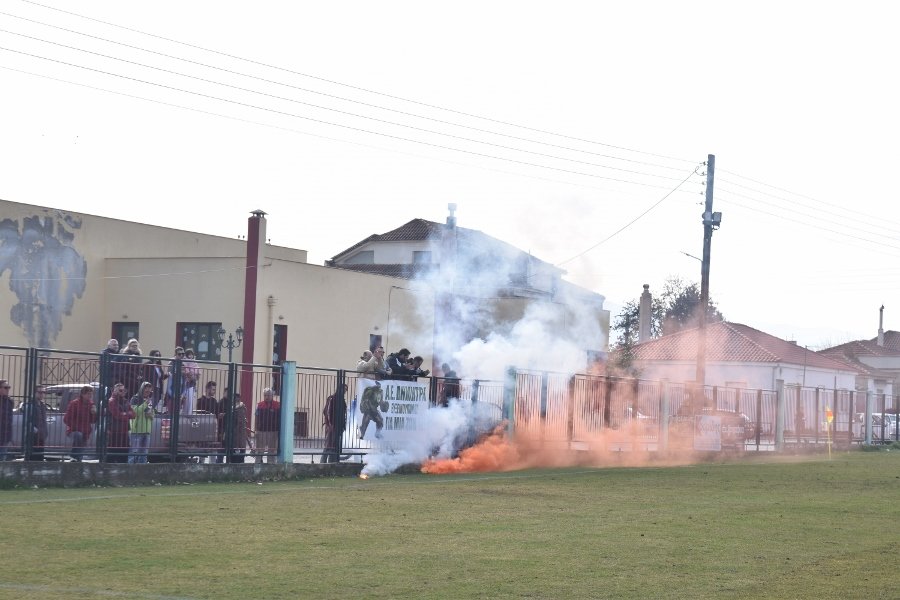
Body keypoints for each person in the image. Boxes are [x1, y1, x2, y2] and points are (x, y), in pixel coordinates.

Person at [64, 385, 97, 462]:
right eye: (88, 393)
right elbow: (66, 419)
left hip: (86, 431)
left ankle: (76, 460)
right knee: (79, 435)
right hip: (74, 430)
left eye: (91, 394)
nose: (90, 396)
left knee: (81, 447)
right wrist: (77, 427)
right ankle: (74, 457)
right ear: (82, 394)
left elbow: (93, 421)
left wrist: (94, 413)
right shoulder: (74, 404)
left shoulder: (91, 404)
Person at [107, 383, 134, 463]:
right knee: (112, 455)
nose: (123, 392)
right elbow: (117, 415)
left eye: (124, 390)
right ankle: (108, 472)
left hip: (124, 431)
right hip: (114, 431)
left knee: (124, 455)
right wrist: (127, 414)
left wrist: (125, 414)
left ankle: (123, 473)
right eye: (121, 390)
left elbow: (134, 414)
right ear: (115, 391)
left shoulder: (125, 401)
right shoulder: (111, 401)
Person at [321, 384, 348, 463]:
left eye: (346, 390)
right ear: (339, 389)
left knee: (335, 445)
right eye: (344, 389)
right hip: (331, 426)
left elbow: (343, 414)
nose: (345, 391)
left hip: (339, 427)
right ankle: (323, 463)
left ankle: (332, 462)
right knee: (329, 445)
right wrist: (330, 425)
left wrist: (343, 425)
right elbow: (326, 412)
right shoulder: (332, 398)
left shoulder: (342, 400)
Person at [128, 382, 154, 464]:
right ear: (142, 389)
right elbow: (134, 412)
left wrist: (151, 414)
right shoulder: (135, 399)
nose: (148, 392)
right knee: (134, 452)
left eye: (149, 391)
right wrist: (144, 404)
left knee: (144, 453)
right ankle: (131, 469)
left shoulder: (149, 400)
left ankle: (142, 470)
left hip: (147, 430)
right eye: (146, 391)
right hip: (137, 430)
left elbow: (152, 413)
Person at [22, 385, 49, 461]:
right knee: (31, 458)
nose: (42, 394)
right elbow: (26, 421)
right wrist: (35, 430)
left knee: (39, 457)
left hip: (41, 436)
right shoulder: (30, 405)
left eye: (44, 392)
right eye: (40, 392)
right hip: (32, 436)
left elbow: (43, 420)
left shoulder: (42, 405)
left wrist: (44, 432)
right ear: (34, 393)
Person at [254, 388, 280, 463]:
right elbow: (256, 417)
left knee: (272, 450)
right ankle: (258, 464)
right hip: (261, 430)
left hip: (274, 431)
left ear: (272, 395)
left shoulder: (277, 405)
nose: (267, 397)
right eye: (265, 395)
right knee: (259, 450)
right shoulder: (260, 405)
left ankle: (271, 465)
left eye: (268, 395)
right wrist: (256, 430)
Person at [227, 392, 250, 463]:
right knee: (236, 453)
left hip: (238, 434)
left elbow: (240, 421)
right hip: (236, 434)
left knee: (238, 454)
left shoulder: (240, 407)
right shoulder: (234, 407)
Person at [180, 348, 200, 414]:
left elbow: (198, 372)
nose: (190, 356)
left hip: (192, 383)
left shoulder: (195, 362)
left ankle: (189, 413)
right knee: (185, 399)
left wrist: (196, 375)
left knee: (190, 399)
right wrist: (189, 374)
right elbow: (185, 371)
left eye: (191, 354)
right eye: (189, 354)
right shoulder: (185, 362)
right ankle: (184, 413)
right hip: (186, 383)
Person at [0, 379, 13, 461]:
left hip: (5, 435)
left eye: (9, 387)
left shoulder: (9, 401)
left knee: (2, 459)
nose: (8, 389)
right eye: (6, 387)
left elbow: (9, 419)